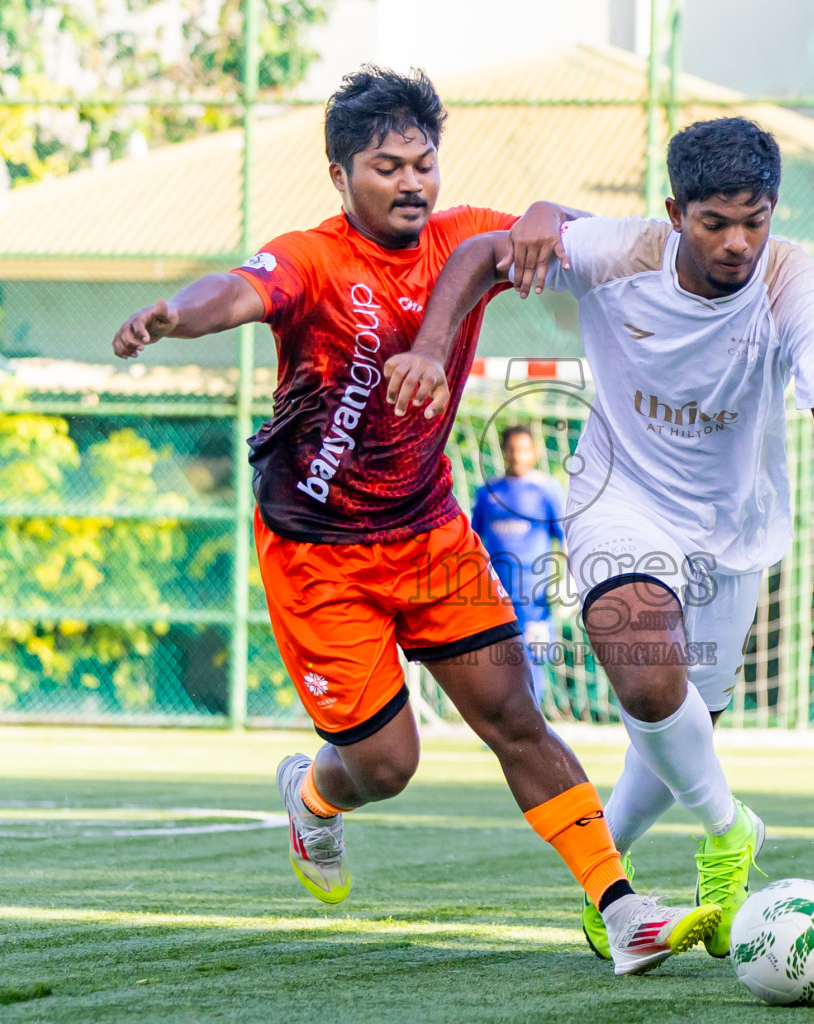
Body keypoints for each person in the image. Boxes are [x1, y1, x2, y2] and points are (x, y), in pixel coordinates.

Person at [112, 66, 716, 975]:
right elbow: (235, 291)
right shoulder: (311, 258)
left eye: (423, 164)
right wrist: (173, 316)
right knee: (388, 766)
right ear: (340, 175)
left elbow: (570, 236)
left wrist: (546, 211)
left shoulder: (463, 235)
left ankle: (621, 908)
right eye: (386, 166)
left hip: (429, 533)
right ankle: (314, 797)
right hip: (318, 558)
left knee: (515, 713)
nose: (410, 183)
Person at [399, 116, 814, 959]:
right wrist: (434, 349)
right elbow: (477, 254)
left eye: (755, 221)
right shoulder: (619, 252)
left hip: (735, 531)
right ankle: (729, 831)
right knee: (649, 676)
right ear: (675, 212)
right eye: (714, 222)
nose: (737, 243)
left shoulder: (791, 282)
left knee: (681, 726)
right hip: (618, 499)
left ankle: (606, 884)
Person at [470, 425, 566, 706]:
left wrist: (568, 581)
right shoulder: (487, 492)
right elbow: (473, 541)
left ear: (534, 452)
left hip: (535, 595)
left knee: (532, 657)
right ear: (503, 452)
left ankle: (534, 717)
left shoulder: (547, 489)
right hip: (494, 593)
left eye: (524, 449)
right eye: (512, 449)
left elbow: (565, 538)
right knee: (498, 659)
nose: (517, 455)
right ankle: (505, 718)